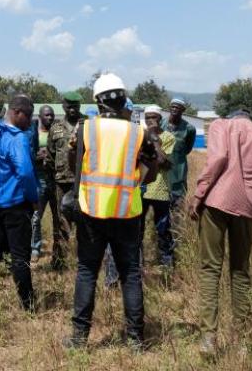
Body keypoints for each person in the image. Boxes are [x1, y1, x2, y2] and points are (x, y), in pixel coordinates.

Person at [64, 74, 158, 350]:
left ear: (98, 101)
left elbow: (74, 167)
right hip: (128, 213)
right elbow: (150, 175)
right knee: (130, 275)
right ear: (123, 98)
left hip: (92, 212)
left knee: (86, 272)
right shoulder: (139, 133)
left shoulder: (85, 129)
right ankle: (135, 340)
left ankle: (79, 338)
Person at [189, 109, 252, 357]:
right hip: (246, 208)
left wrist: (198, 195)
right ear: (251, 118)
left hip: (215, 202)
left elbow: (217, 158)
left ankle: (208, 338)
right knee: (240, 272)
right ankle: (243, 343)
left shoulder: (221, 125)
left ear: (232, 117)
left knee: (210, 269)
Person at [0, 94, 38, 311]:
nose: (30, 121)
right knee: (20, 256)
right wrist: (33, 199)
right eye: (28, 116)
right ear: (16, 112)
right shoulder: (17, 138)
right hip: (14, 204)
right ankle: (28, 305)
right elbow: (25, 172)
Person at [43, 91, 84, 269]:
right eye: (69, 105)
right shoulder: (56, 127)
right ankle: (59, 261)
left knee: (85, 221)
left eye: (76, 105)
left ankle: (84, 260)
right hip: (61, 181)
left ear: (80, 106)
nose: (72, 108)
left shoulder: (87, 125)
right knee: (61, 221)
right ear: (64, 106)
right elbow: (51, 155)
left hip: (84, 182)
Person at [139, 106, 175, 270]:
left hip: (160, 190)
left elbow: (162, 161)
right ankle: (137, 263)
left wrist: (153, 139)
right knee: (137, 229)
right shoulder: (139, 134)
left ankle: (166, 264)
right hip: (141, 188)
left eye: (153, 117)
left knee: (163, 228)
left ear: (160, 119)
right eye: (147, 118)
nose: (150, 121)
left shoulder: (168, 137)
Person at [30, 105, 56, 264]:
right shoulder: (33, 133)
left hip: (55, 179)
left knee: (58, 217)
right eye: (47, 115)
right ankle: (35, 248)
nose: (50, 118)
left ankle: (59, 250)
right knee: (35, 218)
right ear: (40, 116)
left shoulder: (57, 133)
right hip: (38, 179)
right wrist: (37, 156)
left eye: (52, 115)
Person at [162, 97, 196, 214]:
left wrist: (176, 156)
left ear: (183, 110)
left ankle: (176, 232)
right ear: (169, 108)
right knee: (161, 209)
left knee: (177, 209)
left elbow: (187, 149)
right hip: (161, 175)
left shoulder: (189, 129)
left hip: (178, 174)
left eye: (178, 107)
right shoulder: (161, 124)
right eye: (173, 106)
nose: (175, 109)